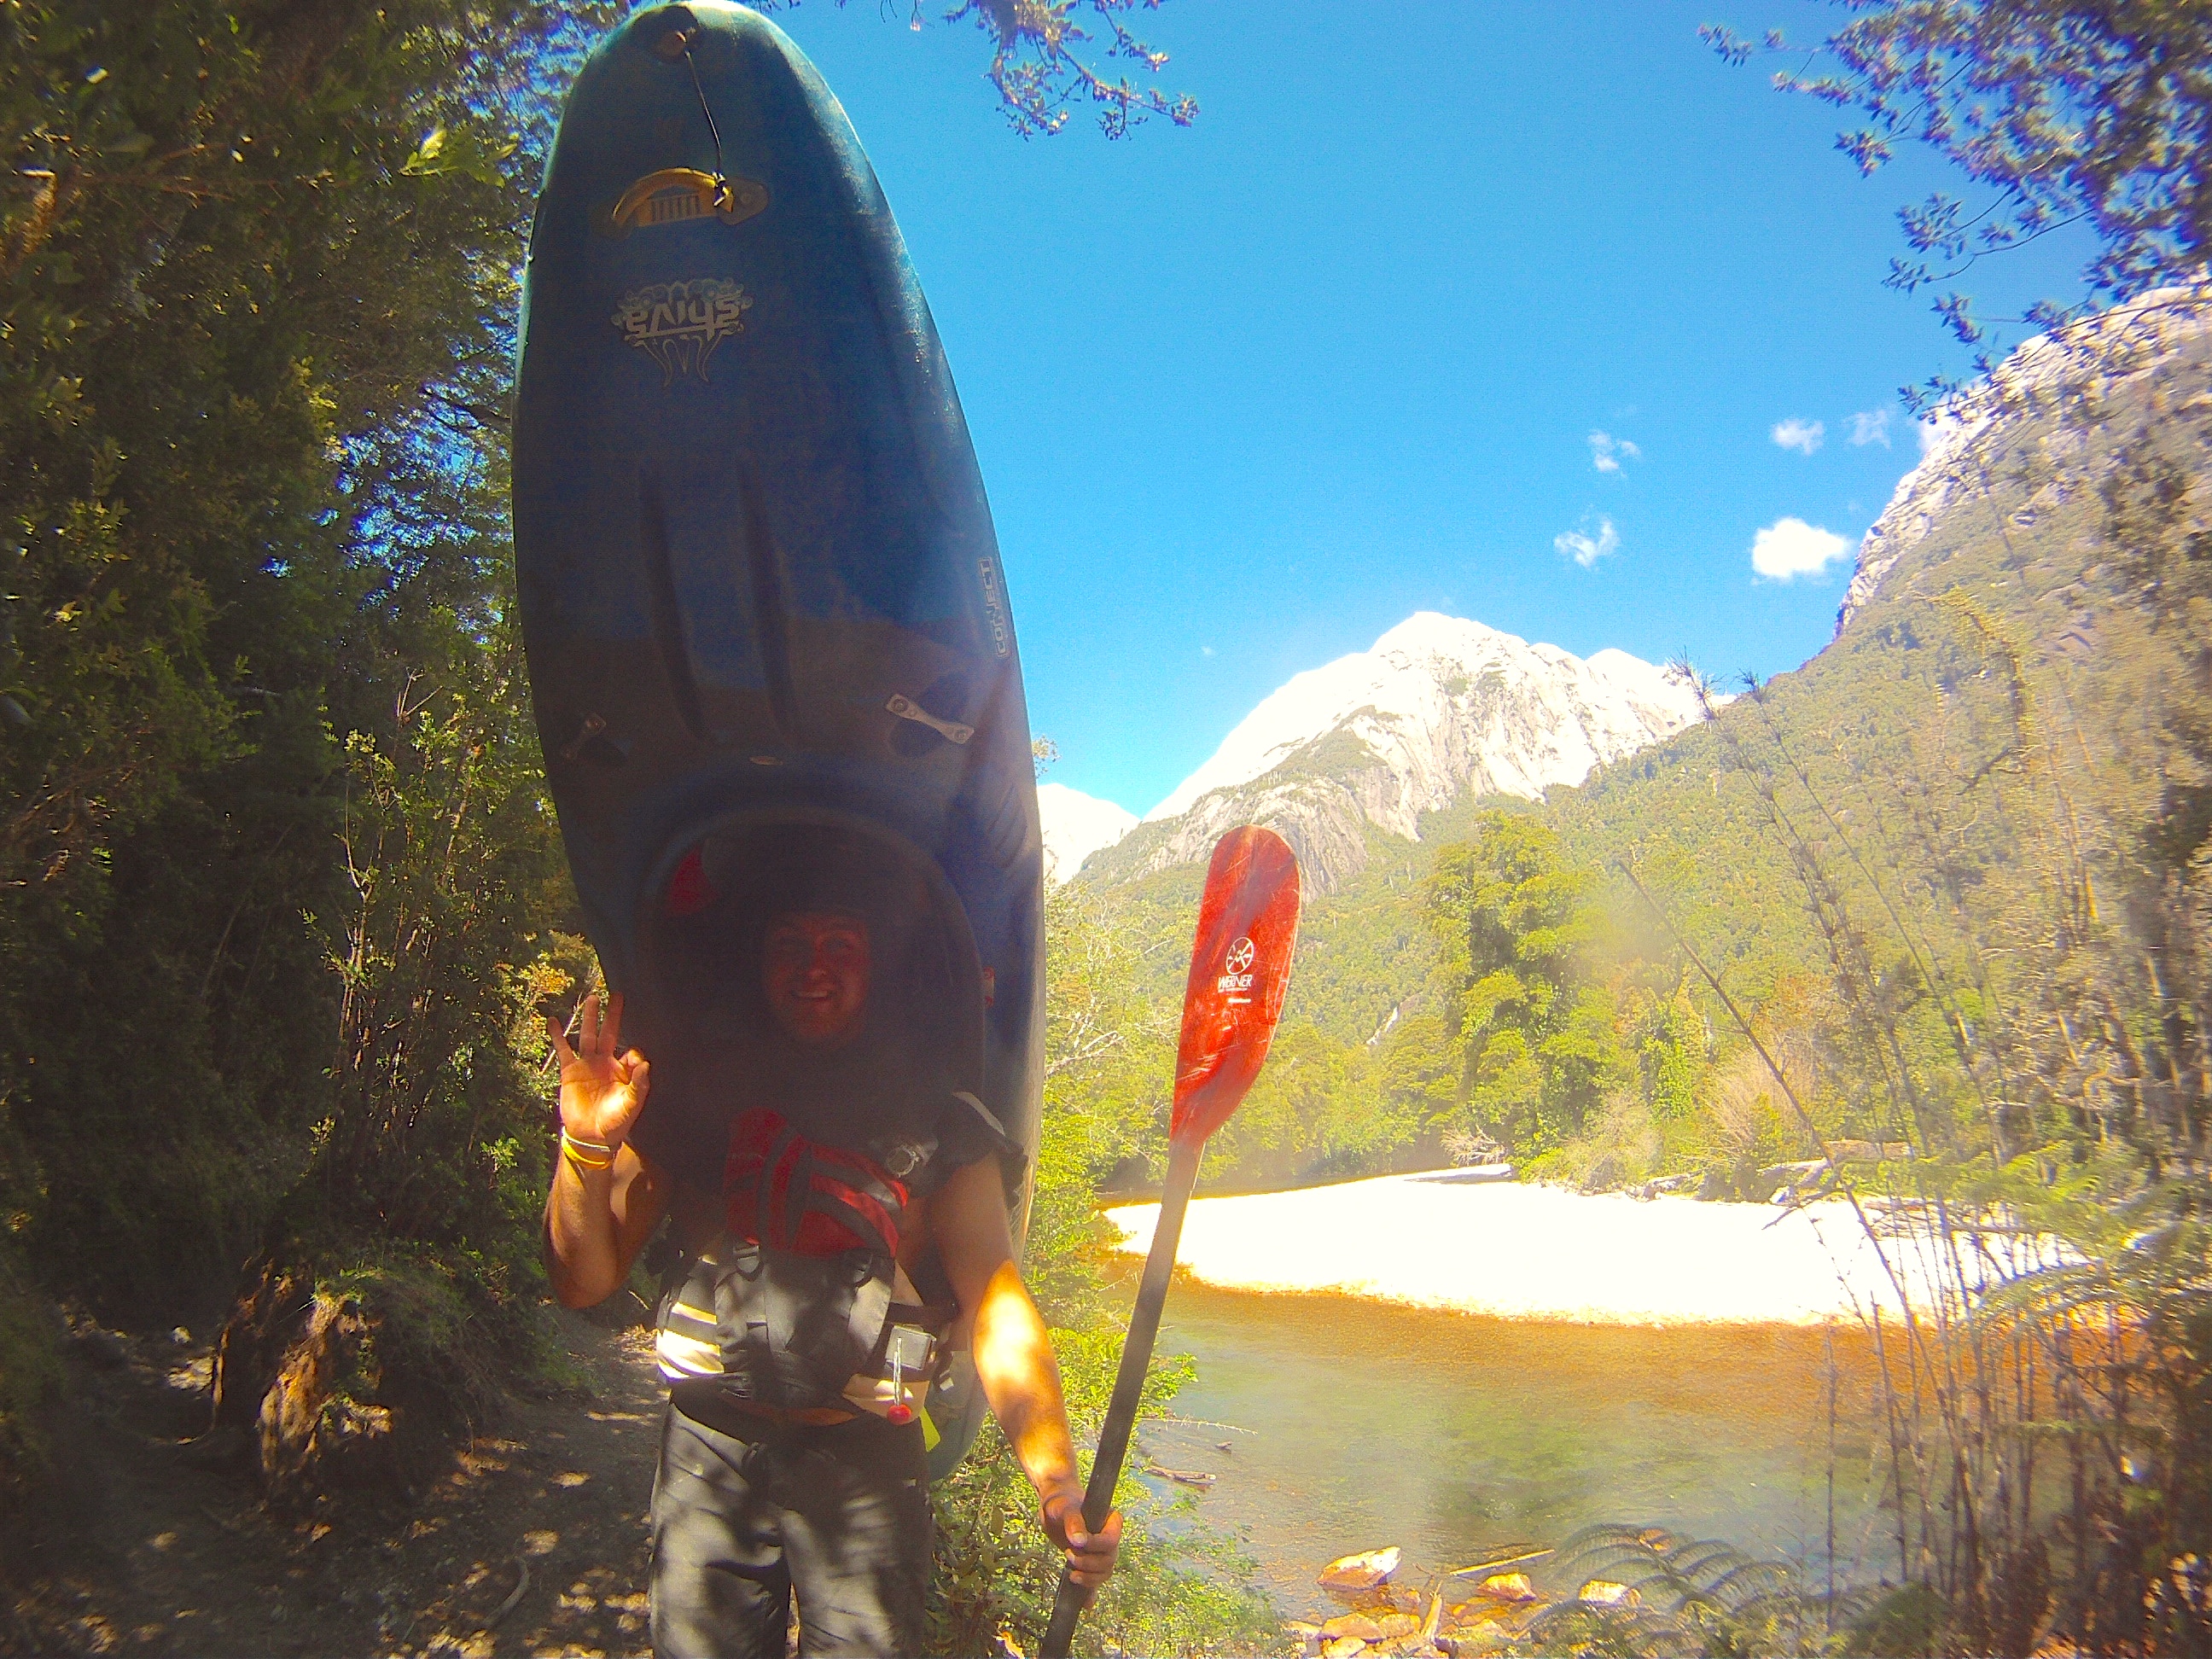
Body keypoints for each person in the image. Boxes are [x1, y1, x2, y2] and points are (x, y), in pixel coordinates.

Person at [542, 859, 1120, 1658]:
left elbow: (996, 1302)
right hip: (709, 1451)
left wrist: (1055, 1480)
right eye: (790, 941)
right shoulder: (695, 1100)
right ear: (759, 959)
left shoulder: (942, 1120)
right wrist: (584, 1145)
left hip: (867, 1469)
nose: (813, 966)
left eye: (841, 943)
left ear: (878, 963)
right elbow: (582, 1280)